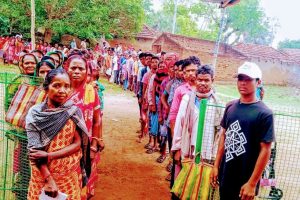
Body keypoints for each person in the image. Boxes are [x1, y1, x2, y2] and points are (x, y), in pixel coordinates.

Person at [210, 62, 275, 200]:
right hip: (226, 174)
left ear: (258, 82)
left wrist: (252, 183)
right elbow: (224, 136)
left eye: (248, 79)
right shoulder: (230, 106)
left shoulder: (265, 113)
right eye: (240, 79)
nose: (243, 83)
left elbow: (266, 150)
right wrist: (216, 166)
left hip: (246, 180)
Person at [26, 68, 90, 199]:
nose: (62, 91)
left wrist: (49, 155)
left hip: (67, 178)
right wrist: (49, 180)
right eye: (56, 86)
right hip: (42, 180)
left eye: (67, 86)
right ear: (46, 88)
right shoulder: (36, 114)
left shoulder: (73, 112)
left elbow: (78, 143)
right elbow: (35, 152)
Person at [65, 55, 104, 198]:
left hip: (86, 146)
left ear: (86, 71)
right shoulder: (62, 90)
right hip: (64, 147)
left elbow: (96, 120)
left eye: (80, 68)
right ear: (66, 68)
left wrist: (94, 146)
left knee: (83, 185)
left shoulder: (91, 91)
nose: (76, 71)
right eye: (73, 68)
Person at [172, 65, 221, 166]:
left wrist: (214, 155)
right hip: (187, 148)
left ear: (212, 80)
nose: (203, 83)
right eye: (200, 80)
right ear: (196, 80)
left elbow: (219, 132)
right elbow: (179, 125)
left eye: (206, 80)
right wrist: (177, 148)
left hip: (206, 152)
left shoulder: (216, 103)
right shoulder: (187, 99)